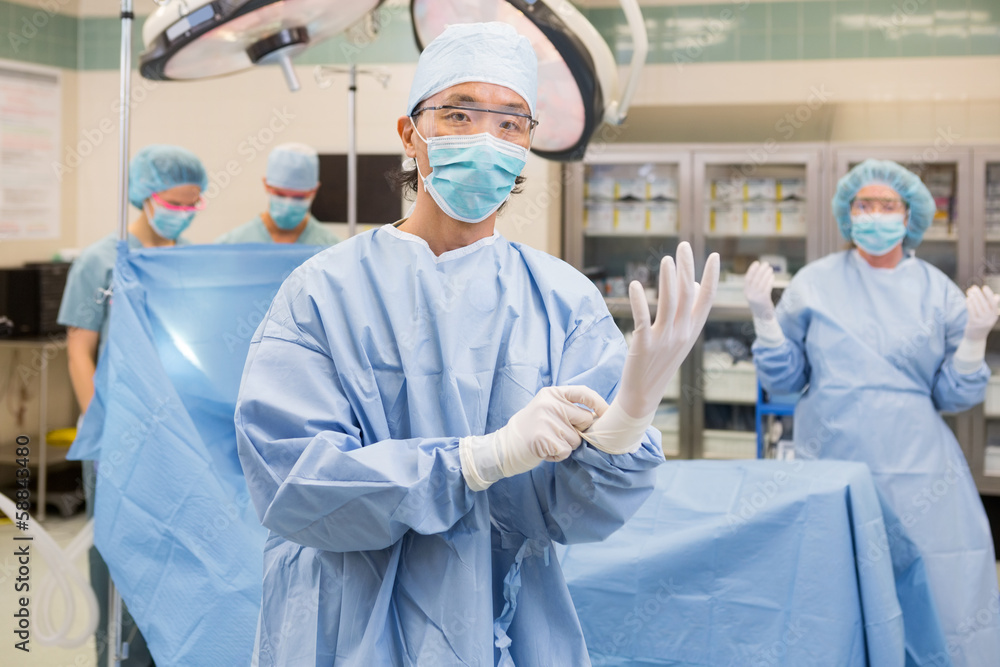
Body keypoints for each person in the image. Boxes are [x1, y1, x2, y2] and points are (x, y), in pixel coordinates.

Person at [235, 22, 719, 666]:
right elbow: (292, 487)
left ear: (528, 144)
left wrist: (624, 428)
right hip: (347, 626)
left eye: (511, 123)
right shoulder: (322, 292)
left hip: (505, 625)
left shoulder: (563, 302)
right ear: (411, 133)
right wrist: (475, 461)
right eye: (460, 114)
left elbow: (577, 517)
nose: (487, 139)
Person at [746, 158, 1000, 666]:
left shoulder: (936, 290)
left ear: (909, 217)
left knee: (936, 587)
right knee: (835, 582)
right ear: (848, 213)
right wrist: (766, 322)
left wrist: (974, 341)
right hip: (832, 459)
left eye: (888, 205)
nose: (875, 214)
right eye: (865, 205)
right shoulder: (814, 283)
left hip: (919, 471)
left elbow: (954, 395)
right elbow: (786, 379)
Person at [58, 143, 208, 667]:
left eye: (194, 205)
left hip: (176, 436)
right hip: (117, 433)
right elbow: (81, 348)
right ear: (146, 195)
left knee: (176, 560)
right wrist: (102, 423)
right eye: (176, 202)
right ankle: (116, 657)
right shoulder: (101, 261)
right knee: (120, 558)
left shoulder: (185, 259)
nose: (183, 214)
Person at [215, 143, 339, 246]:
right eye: (280, 195)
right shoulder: (231, 245)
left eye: (299, 197)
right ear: (266, 185)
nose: (288, 204)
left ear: (314, 191)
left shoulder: (330, 246)